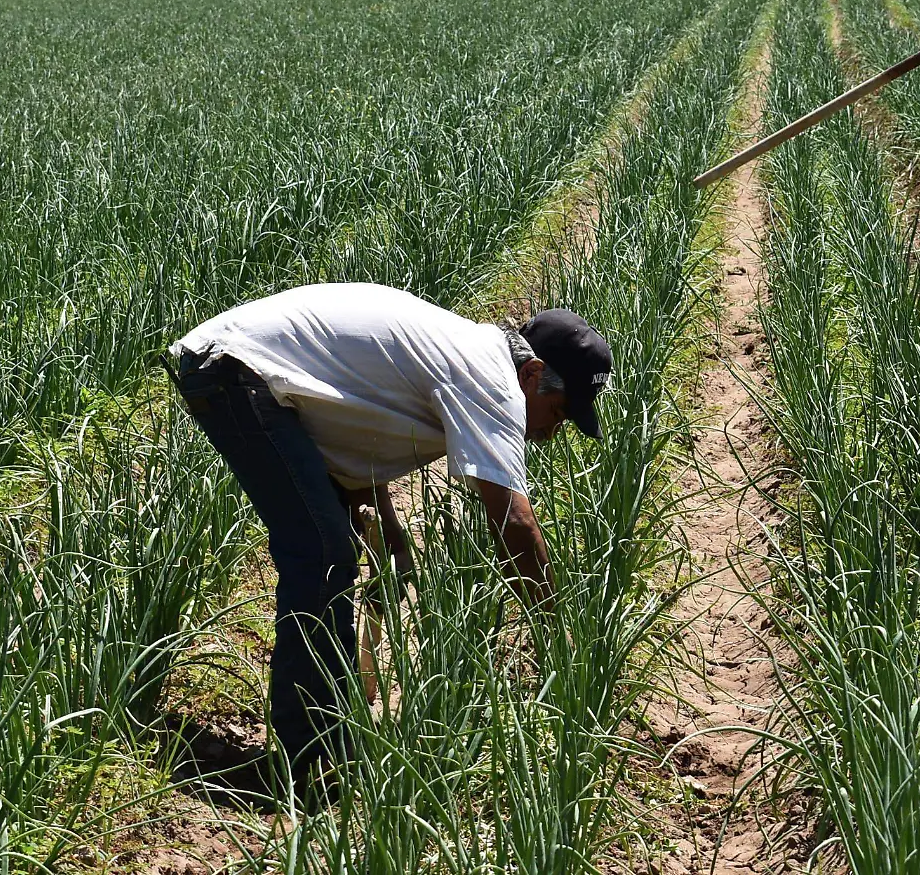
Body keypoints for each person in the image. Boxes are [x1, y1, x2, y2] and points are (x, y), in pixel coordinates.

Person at [167, 282, 613, 773]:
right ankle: (308, 763)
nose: (550, 431)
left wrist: (392, 535)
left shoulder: (467, 353)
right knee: (321, 553)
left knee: (328, 547)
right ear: (531, 374)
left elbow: (354, 426)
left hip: (252, 371)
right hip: (237, 369)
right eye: (558, 413)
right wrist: (558, 639)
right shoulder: (493, 381)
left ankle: (324, 736)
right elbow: (513, 521)